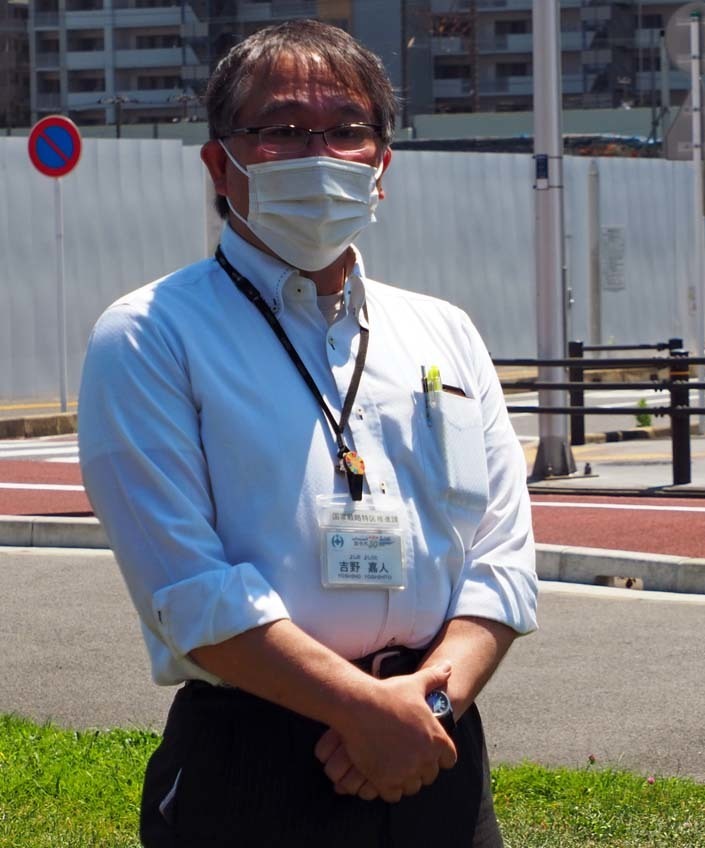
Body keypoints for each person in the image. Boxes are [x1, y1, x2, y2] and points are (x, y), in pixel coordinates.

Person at [77, 20, 537, 848]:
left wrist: (422, 706)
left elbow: (502, 556)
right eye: (282, 130)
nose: (318, 153)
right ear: (222, 165)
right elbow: (188, 590)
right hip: (256, 756)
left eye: (348, 130)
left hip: (437, 743)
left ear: (383, 167)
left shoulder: (445, 332)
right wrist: (359, 710)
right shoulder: (150, 334)